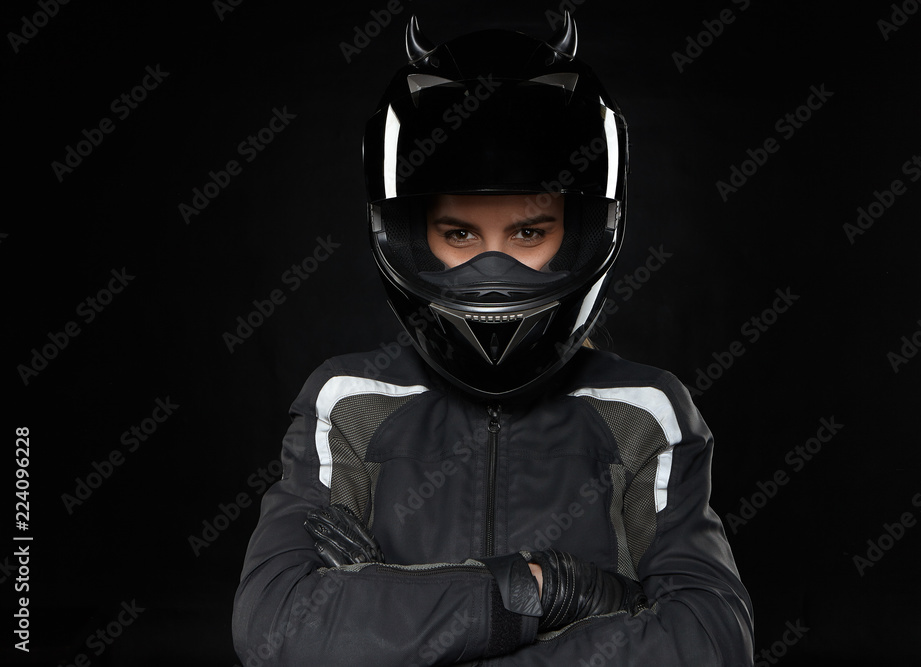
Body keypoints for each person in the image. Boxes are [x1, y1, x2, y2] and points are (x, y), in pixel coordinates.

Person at [233, 13, 753, 666]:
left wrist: (401, 623)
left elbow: (710, 642)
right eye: (460, 235)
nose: (493, 270)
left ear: (585, 228)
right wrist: (552, 587)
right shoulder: (349, 401)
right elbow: (276, 625)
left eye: (529, 234)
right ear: (413, 235)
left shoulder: (648, 410)